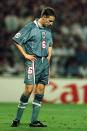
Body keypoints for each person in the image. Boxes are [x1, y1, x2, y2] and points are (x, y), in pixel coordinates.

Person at [11, 7, 56, 127]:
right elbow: (16, 40)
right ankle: (16, 119)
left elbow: (50, 43)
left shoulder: (48, 30)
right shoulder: (30, 27)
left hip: (44, 63)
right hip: (33, 61)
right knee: (29, 89)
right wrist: (25, 55)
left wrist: (49, 57)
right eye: (50, 21)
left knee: (40, 90)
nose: (51, 23)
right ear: (44, 17)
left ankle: (34, 121)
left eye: (52, 21)